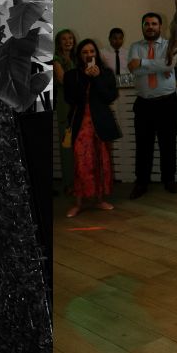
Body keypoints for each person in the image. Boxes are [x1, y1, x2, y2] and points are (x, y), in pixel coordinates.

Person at [63, 39, 117, 218]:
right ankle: (78, 203)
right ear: (79, 55)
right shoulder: (72, 75)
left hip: (100, 124)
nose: (89, 55)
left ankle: (100, 200)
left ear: (96, 53)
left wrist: (97, 78)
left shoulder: (106, 73)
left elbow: (109, 97)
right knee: (81, 163)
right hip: (80, 125)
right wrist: (86, 77)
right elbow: (71, 99)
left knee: (102, 161)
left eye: (92, 51)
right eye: (85, 52)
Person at [127, 12, 177, 198]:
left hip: (167, 102)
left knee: (168, 142)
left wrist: (142, 62)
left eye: (154, 23)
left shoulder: (170, 45)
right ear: (142, 26)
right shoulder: (134, 46)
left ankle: (169, 180)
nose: (150, 27)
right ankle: (141, 182)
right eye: (146, 24)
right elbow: (133, 69)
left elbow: (169, 64)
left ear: (160, 26)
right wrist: (159, 66)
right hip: (143, 103)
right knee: (143, 144)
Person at [52, 29, 77, 194]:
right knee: (67, 147)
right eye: (64, 39)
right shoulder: (55, 59)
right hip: (65, 107)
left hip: (79, 105)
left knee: (80, 146)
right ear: (59, 43)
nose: (68, 41)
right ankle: (69, 184)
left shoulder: (77, 58)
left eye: (70, 38)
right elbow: (62, 79)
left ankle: (82, 182)